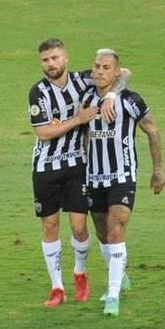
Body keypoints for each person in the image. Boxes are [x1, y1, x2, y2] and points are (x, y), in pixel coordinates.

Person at [28, 39, 126, 308]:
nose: (51, 64)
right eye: (46, 60)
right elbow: (43, 132)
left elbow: (124, 73)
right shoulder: (38, 93)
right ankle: (57, 287)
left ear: (66, 58)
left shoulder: (84, 80)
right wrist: (78, 120)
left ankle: (80, 272)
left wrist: (111, 95)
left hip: (76, 166)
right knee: (49, 226)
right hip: (45, 168)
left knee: (80, 227)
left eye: (55, 58)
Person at [83, 49, 164, 317]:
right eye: (97, 66)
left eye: (106, 67)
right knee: (102, 233)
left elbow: (152, 130)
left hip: (123, 176)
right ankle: (122, 276)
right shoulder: (85, 97)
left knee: (116, 229)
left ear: (116, 72)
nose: (100, 71)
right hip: (93, 177)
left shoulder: (130, 100)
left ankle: (113, 295)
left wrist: (158, 169)